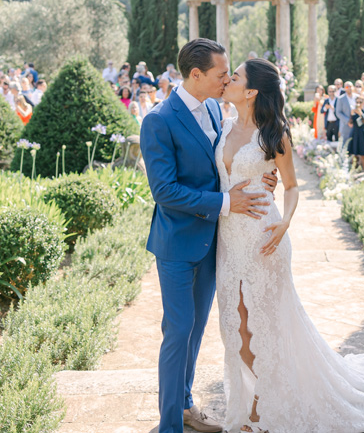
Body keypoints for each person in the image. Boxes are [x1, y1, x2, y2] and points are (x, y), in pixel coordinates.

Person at [216, 58, 364, 432]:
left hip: (264, 238)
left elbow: (290, 187)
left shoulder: (273, 135)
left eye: (235, 77)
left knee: (267, 324)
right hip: (228, 239)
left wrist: (285, 222)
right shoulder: (221, 126)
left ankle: (261, 405)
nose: (228, 80)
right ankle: (256, 392)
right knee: (233, 326)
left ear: (252, 91)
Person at [140, 39, 278, 433]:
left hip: (215, 242)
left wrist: (258, 177)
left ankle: (185, 405)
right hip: (178, 244)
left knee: (198, 328)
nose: (226, 80)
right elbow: (164, 191)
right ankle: (170, 426)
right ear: (196, 75)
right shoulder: (158, 120)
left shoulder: (217, 109)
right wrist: (224, 203)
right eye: (221, 74)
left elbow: (227, 163)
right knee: (178, 329)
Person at [348, 95, 364, 170]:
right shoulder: (353, 112)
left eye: (360, 102)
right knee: (354, 154)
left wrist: (360, 113)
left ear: (363, 103)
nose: (358, 104)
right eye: (357, 102)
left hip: (362, 134)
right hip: (355, 133)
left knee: (363, 154)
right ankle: (354, 170)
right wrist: (352, 114)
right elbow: (350, 123)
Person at [336, 81, 355, 147]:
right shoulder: (341, 99)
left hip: (356, 125)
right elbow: (338, 112)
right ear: (344, 88)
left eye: (350, 86)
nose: (349, 88)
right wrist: (348, 121)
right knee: (345, 144)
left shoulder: (357, 97)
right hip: (345, 125)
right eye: (347, 87)